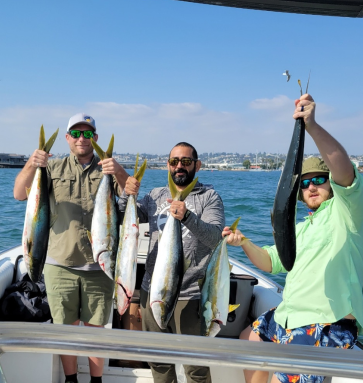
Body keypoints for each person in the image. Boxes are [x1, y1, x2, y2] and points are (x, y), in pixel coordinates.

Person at [223, 94, 363, 383]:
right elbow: (273, 262)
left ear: (331, 184)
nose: (312, 187)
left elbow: (345, 172)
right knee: (248, 338)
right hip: (288, 315)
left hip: (324, 322)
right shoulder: (300, 228)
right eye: (305, 183)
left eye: (319, 180)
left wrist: (311, 126)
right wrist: (245, 242)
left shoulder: (348, 213)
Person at [13, 113, 129, 383]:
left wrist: (119, 171)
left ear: (95, 139)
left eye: (87, 134)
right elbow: (20, 193)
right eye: (75, 133)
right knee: (65, 328)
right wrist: (33, 162)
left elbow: (132, 194)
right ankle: (70, 379)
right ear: (66, 138)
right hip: (59, 264)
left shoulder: (108, 171)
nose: (81, 138)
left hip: (99, 265)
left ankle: (97, 380)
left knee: (95, 330)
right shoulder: (52, 169)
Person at [120, 142, 225, 383]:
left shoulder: (209, 197)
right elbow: (124, 216)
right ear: (168, 165)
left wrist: (186, 216)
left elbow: (215, 238)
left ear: (197, 165)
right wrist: (127, 193)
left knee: (195, 368)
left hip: (191, 295)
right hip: (152, 291)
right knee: (159, 362)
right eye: (175, 161)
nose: (180, 166)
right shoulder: (155, 195)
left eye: (186, 162)